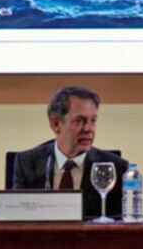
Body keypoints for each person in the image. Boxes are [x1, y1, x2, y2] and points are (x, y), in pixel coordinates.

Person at [13, 85, 129, 219]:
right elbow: (18, 219)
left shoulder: (116, 168)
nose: (88, 129)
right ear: (56, 123)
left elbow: (121, 227)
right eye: (79, 121)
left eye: (93, 121)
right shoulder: (28, 163)